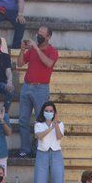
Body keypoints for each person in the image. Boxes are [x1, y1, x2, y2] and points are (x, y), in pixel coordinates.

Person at [18, 26, 59, 157]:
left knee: (40, 120)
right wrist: (22, 50)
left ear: (48, 37)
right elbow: (19, 64)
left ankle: (38, 148)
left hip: (41, 88)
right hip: (27, 86)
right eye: (38, 33)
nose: (39, 36)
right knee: (23, 119)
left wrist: (35, 48)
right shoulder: (32, 50)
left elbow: (48, 63)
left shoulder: (52, 51)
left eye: (42, 34)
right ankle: (25, 148)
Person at [33, 101, 65, 183]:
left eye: (51, 111)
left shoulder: (60, 124)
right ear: (43, 111)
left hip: (56, 154)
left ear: (55, 112)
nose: (49, 113)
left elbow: (59, 136)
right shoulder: (38, 124)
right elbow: (39, 136)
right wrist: (50, 127)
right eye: (47, 110)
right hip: (42, 154)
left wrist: (55, 124)